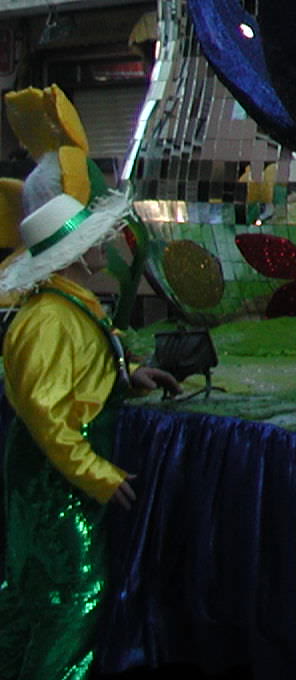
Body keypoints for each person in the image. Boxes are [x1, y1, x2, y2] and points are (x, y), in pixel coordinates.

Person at [0, 164, 180, 680]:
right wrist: (97, 474)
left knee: (31, 601)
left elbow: (73, 383)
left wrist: (127, 378)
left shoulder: (67, 309)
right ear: (76, 256)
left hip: (53, 477)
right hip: (52, 483)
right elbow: (46, 417)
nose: (105, 245)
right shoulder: (49, 320)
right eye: (95, 239)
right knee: (72, 600)